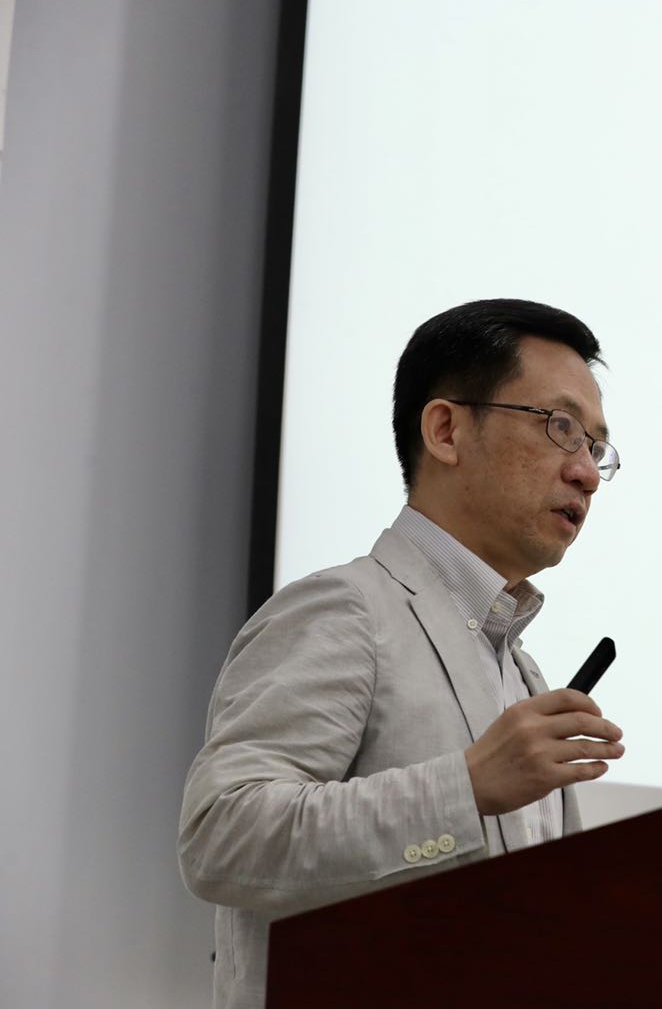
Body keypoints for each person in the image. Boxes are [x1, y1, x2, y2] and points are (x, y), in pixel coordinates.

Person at [179, 299, 626, 1009]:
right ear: (446, 429)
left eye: (596, 448)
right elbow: (223, 835)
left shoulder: (523, 673)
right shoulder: (347, 609)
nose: (587, 474)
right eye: (560, 427)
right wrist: (464, 788)